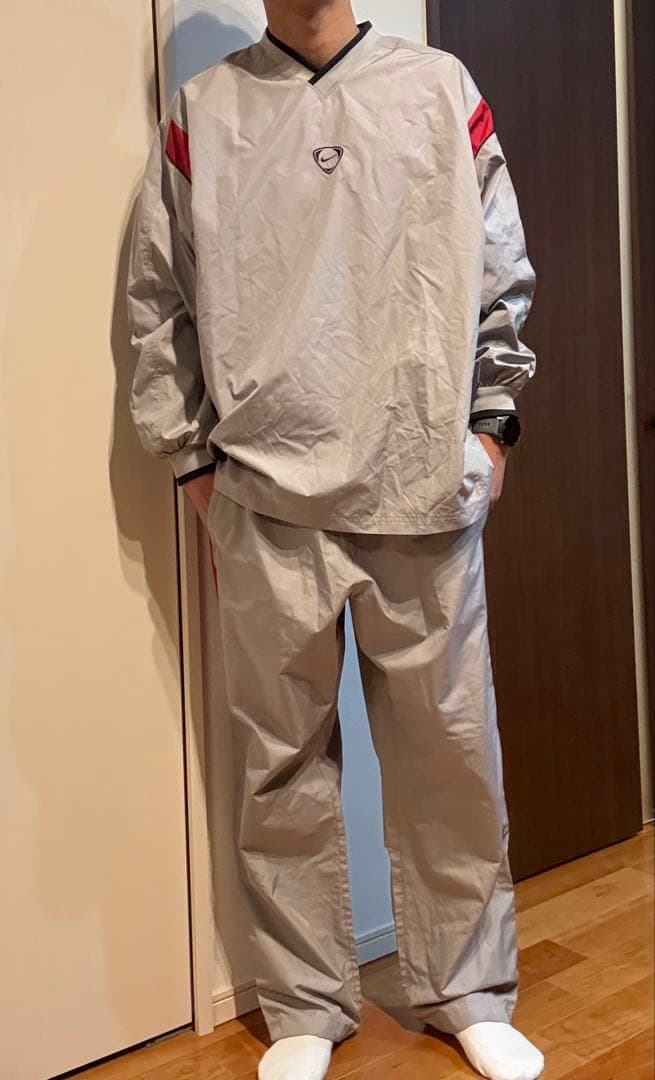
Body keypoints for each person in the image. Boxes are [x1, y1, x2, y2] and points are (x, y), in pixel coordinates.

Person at [126, 3, 544, 1079]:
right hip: (267, 495)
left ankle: (467, 987)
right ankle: (305, 1003)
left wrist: (490, 426)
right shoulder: (205, 112)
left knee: (450, 755)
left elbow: (499, 261)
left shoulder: (438, 87)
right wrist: (192, 461)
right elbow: (157, 299)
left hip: (420, 486)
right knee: (280, 767)